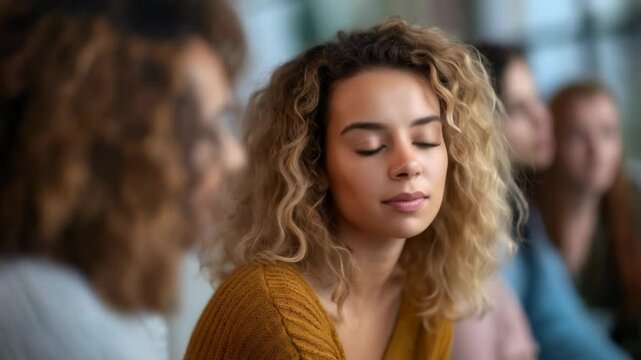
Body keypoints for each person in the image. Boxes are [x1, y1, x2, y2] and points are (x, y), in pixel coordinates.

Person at [185, 18, 518, 359]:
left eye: (425, 140)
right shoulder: (277, 315)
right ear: (314, 166)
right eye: (370, 146)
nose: (409, 164)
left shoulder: (425, 297)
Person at [0, 0, 244, 359]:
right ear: (117, 141)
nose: (235, 156)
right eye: (205, 127)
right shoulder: (58, 322)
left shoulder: (101, 292)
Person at [475, 44, 629, 360]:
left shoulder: (518, 216)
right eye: (519, 108)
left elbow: (563, 326)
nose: (542, 118)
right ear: (478, 123)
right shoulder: (477, 229)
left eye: (538, 100)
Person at [536, 80, 641, 357]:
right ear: (552, 141)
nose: (597, 152)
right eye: (577, 135)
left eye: (608, 133)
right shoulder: (527, 215)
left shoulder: (633, 205)